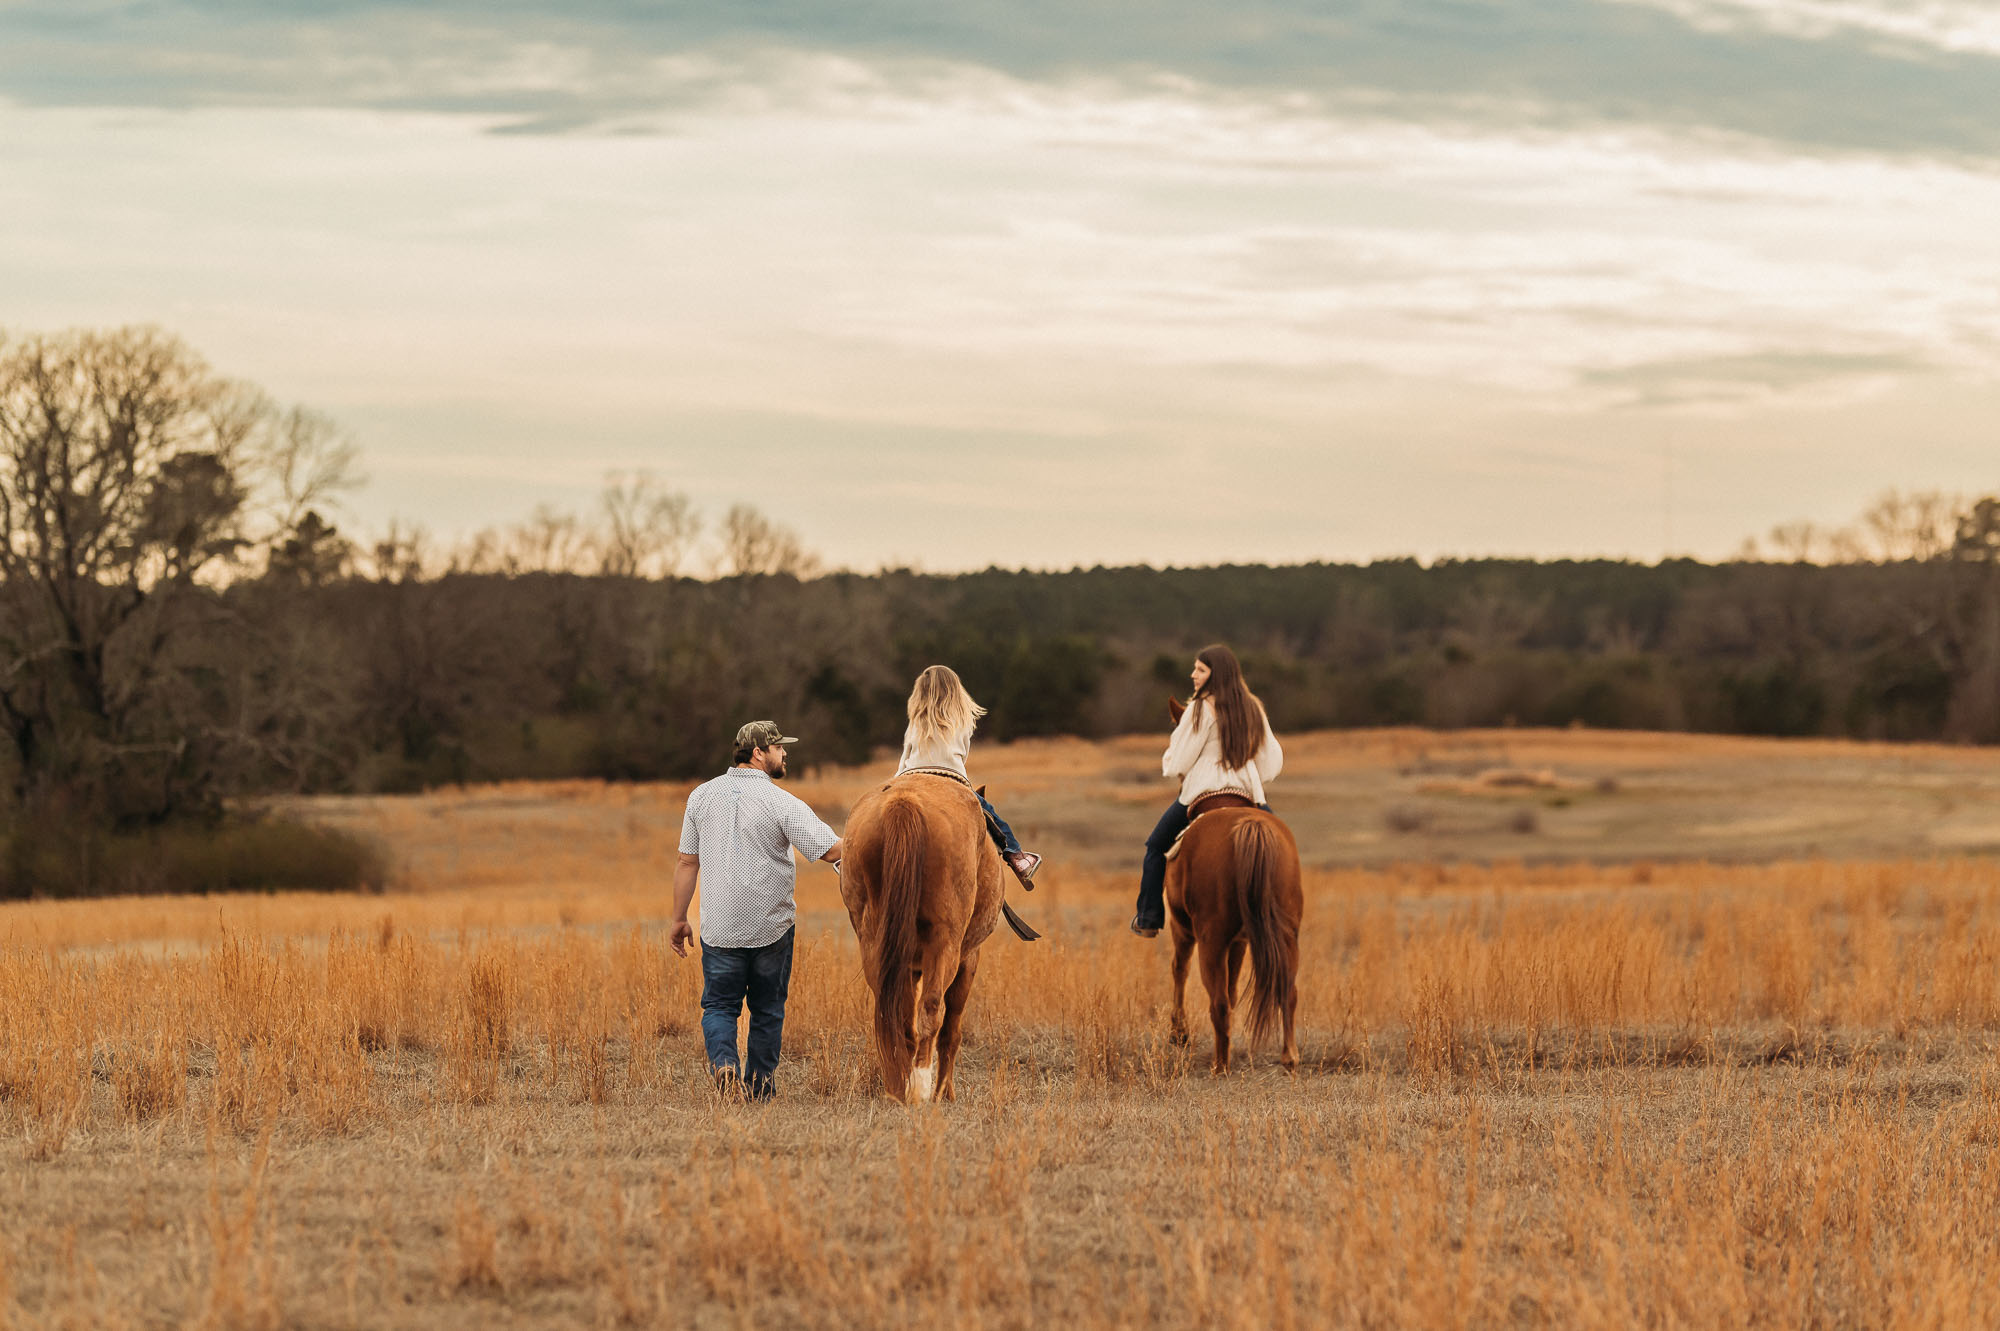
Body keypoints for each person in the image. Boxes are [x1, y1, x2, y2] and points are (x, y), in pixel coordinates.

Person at [670, 719, 842, 1099]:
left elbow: (687, 863)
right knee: (767, 1009)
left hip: (719, 926)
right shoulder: (782, 802)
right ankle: (761, 1085)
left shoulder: (700, 797)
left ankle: (726, 1067)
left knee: (718, 1006)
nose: (785, 753)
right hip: (772, 928)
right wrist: (871, 834)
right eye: (779, 748)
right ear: (758, 753)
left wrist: (680, 918)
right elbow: (832, 851)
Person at [1131, 644, 1282, 937]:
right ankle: (1277, 913)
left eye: (1200, 669)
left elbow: (1181, 757)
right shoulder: (1253, 707)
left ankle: (1148, 918)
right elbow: (1270, 759)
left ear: (1217, 674)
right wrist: (1250, 775)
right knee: (1278, 846)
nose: (1193, 675)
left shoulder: (1200, 708)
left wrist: (1173, 765)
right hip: (1247, 791)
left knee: (1155, 847)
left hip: (1204, 789)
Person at [896, 665, 1041, 885]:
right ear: (955, 690)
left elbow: (903, 759)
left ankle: (848, 856)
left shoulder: (915, 723)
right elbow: (961, 757)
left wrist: (894, 785)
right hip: (949, 779)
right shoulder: (962, 722)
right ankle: (1017, 857)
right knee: (991, 816)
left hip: (909, 778)